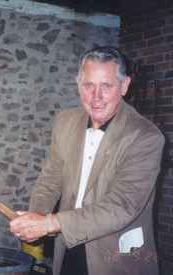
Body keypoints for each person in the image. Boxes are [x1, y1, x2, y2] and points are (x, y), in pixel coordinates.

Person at [10, 46, 164, 275]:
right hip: (68, 245)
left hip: (115, 254)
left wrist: (51, 223)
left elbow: (121, 206)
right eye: (88, 85)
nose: (96, 97)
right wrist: (37, 220)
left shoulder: (146, 137)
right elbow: (50, 180)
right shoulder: (65, 121)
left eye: (106, 86)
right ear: (78, 84)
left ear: (124, 86)